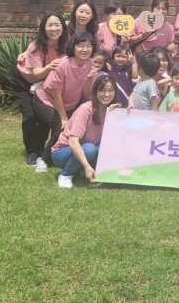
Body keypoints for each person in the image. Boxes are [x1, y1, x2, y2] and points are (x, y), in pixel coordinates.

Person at [32, 32, 99, 173]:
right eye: (81, 45)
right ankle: (44, 160)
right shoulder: (62, 64)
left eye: (89, 46)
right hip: (46, 100)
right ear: (73, 47)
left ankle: (70, 157)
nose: (85, 49)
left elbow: (86, 94)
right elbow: (56, 95)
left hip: (69, 103)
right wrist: (63, 118)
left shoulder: (91, 65)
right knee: (60, 127)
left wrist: (89, 79)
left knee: (72, 130)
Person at [12, 12, 67, 166]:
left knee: (44, 116)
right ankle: (31, 152)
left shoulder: (67, 44)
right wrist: (49, 67)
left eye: (57, 25)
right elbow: (37, 73)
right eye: (50, 25)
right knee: (30, 115)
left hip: (46, 84)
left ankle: (40, 149)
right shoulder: (35, 46)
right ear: (43, 27)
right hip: (24, 82)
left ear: (63, 27)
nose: (54, 28)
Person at [50, 75, 119, 189]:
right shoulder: (85, 110)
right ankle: (66, 174)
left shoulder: (112, 111)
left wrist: (120, 113)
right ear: (95, 91)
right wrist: (87, 166)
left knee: (105, 146)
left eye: (111, 90)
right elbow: (73, 141)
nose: (107, 94)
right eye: (102, 90)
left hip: (88, 148)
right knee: (90, 149)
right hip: (63, 152)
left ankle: (81, 167)